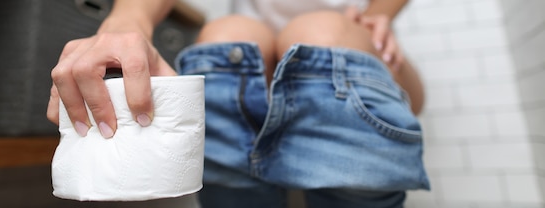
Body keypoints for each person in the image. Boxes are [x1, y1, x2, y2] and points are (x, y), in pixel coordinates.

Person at [47, 0, 430, 207]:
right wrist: (124, 25)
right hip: (250, 54)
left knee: (319, 31)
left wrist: (378, 17)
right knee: (227, 36)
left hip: (343, 38)